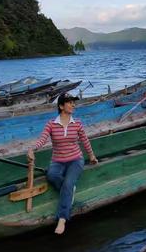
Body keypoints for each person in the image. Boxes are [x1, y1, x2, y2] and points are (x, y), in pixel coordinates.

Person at [28, 93, 98, 235]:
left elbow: (85, 140)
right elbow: (42, 139)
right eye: (69, 102)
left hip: (75, 160)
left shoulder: (77, 123)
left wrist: (91, 156)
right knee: (51, 175)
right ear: (61, 106)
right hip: (57, 161)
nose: (73, 105)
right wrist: (32, 149)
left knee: (67, 183)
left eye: (73, 102)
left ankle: (62, 218)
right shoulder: (51, 124)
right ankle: (68, 192)